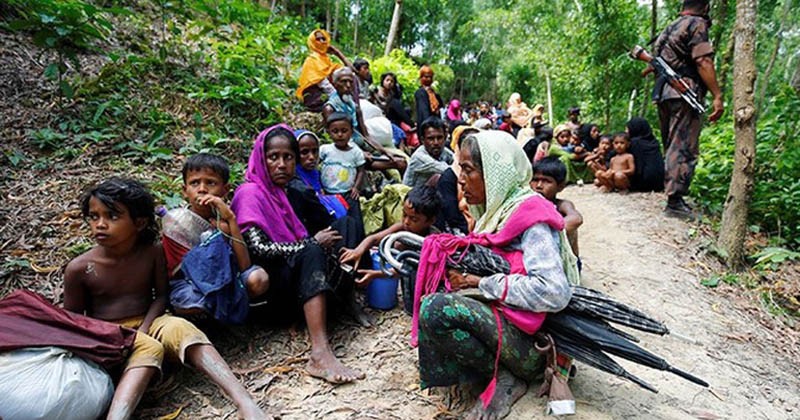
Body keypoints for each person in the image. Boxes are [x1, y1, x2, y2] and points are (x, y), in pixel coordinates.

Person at [64, 178, 266, 420]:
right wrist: (117, 341)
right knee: (147, 347)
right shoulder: (80, 268)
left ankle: (245, 402)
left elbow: (161, 296)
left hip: (150, 322)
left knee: (180, 328)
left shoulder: (152, 252)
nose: (100, 224)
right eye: (94, 217)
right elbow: (73, 322)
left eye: (112, 216)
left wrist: (146, 328)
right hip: (108, 333)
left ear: (139, 222)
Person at [413, 131, 577, 420]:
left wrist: (481, 284)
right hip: (511, 326)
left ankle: (507, 377)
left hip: (534, 345)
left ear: (494, 172)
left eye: (468, 170)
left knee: (435, 309)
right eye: (459, 168)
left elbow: (553, 291)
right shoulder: (495, 212)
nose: (460, 179)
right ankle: (494, 371)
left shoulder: (531, 218)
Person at [231, 125, 364, 384]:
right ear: (261, 157)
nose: (281, 164)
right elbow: (258, 249)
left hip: (295, 280)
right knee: (313, 247)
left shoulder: (281, 193)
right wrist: (311, 244)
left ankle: (349, 294)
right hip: (273, 293)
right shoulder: (250, 193)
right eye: (273, 157)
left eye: (288, 157)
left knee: (346, 225)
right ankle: (319, 352)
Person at [164, 154, 271, 320]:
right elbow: (181, 270)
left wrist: (231, 220)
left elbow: (244, 265)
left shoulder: (227, 219)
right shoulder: (177, 222)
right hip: (192, 284)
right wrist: (212, 240)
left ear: (225, 190)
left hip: (228, 279)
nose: (202, 189)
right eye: (194, 183)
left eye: (211, 183)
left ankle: (221, 307)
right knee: (190, 300)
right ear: (185, 191)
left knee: (258, 278)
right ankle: (223, 307)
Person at [648, 0, 723, 217]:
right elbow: (703, 62)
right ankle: (674, 201)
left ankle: (673, 195)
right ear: (706, 7)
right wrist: (717, 95)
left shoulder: (669, 27)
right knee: (683, 147)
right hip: (683, 92)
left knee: (672, 144)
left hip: (664, 92)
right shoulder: (696, 24)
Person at [339, 186, 441, 285]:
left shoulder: (433, 240)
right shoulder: (402, 228)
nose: (406, 222)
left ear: (430, 221)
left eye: (414, 219)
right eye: (404, 215)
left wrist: (375, 275)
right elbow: (374, 239)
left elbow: (410, 270)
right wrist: (358, 251)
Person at [323, 68, 406, 173]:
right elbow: (336, 139)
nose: (348, 85)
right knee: (400, 163)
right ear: (334, 84)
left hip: (362, 146)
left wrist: (385, 151)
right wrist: (360, 153)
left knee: (400, 159)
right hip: (347, 151)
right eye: (344, 81)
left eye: (351, 82)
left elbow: (366, 136)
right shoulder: (330, 108)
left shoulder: (354, 106)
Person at [531, 156, 584, 263]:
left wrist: (544, 233)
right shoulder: (529, 203)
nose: (539, 185)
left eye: (547, 181)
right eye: (535, 180)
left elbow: (576, 219)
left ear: (560, 186)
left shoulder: (562, 205)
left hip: (567, 263)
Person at [296, 29, 349, 112]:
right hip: (315, 99)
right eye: (318, 39)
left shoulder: (327, 61)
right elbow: (323, 83)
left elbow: (349, 71)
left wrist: (338, 53)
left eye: (323, 39)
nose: (321, 41)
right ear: (312, 42)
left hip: (327, 96)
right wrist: (337, 97)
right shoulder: (312, 59)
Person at [319, 112, 366, 200]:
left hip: (348, 193)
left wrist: (356, 188)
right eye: (335, 131)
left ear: (351, 131)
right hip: (327, 192)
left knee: (353, 213)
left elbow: (361, 171)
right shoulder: (324, 150)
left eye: (344, 131)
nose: (340, 135)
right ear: (328, 132)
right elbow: (314, 167)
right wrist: (318, 186)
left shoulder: (356, 152)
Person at [403, 116, 454, 188]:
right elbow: (450, 171)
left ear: (445, 138)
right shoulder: (419, 157)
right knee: (439, 177)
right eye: (431, 138)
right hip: (412, 196)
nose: (436, 142)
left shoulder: (443, 151)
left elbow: (457, 161)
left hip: (428, 194)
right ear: (423, 140)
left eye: (439, 138)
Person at [626, 117, 665, 192]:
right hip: (659, 182)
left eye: (628, 129)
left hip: (644, 182)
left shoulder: (635, 142)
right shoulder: (654, 142)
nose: (626, 132)